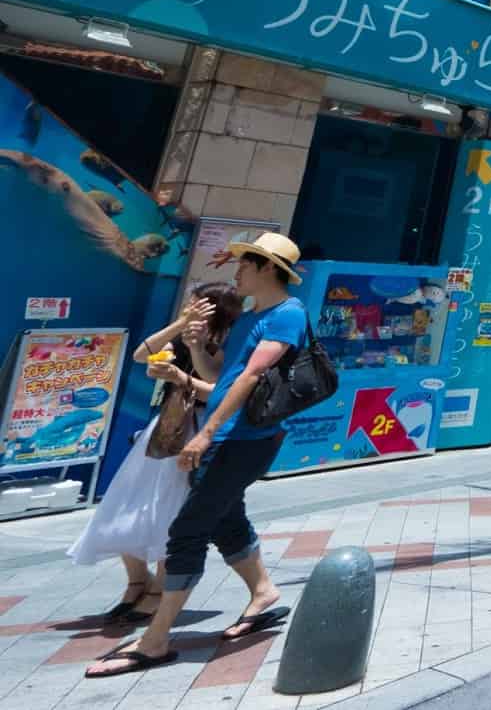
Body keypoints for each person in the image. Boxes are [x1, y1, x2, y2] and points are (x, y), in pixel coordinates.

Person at [88, 233, 309, 679]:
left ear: (268, 269)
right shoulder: (251, 317)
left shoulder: (289, 314)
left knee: (188, 529)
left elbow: (249, 378)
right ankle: (263, 592)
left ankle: (155, 641)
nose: (237, 273)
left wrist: (205, 433)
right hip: (227, 435)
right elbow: (220, 376)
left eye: (245, 265)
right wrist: (188, 353)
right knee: (226, 518)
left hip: (247, 439)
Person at [69, 286, 241, 621]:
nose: (189, 306)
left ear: (213, 308)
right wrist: (179, 330)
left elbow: (219, 389)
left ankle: (159, 590)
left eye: (195, 302)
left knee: (170, 508)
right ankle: (137, 581)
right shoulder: (183, 332)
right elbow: (141, 356)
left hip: (199, 429)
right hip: (166, 426)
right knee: (125, 501)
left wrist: (188, 361)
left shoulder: (231, 342)